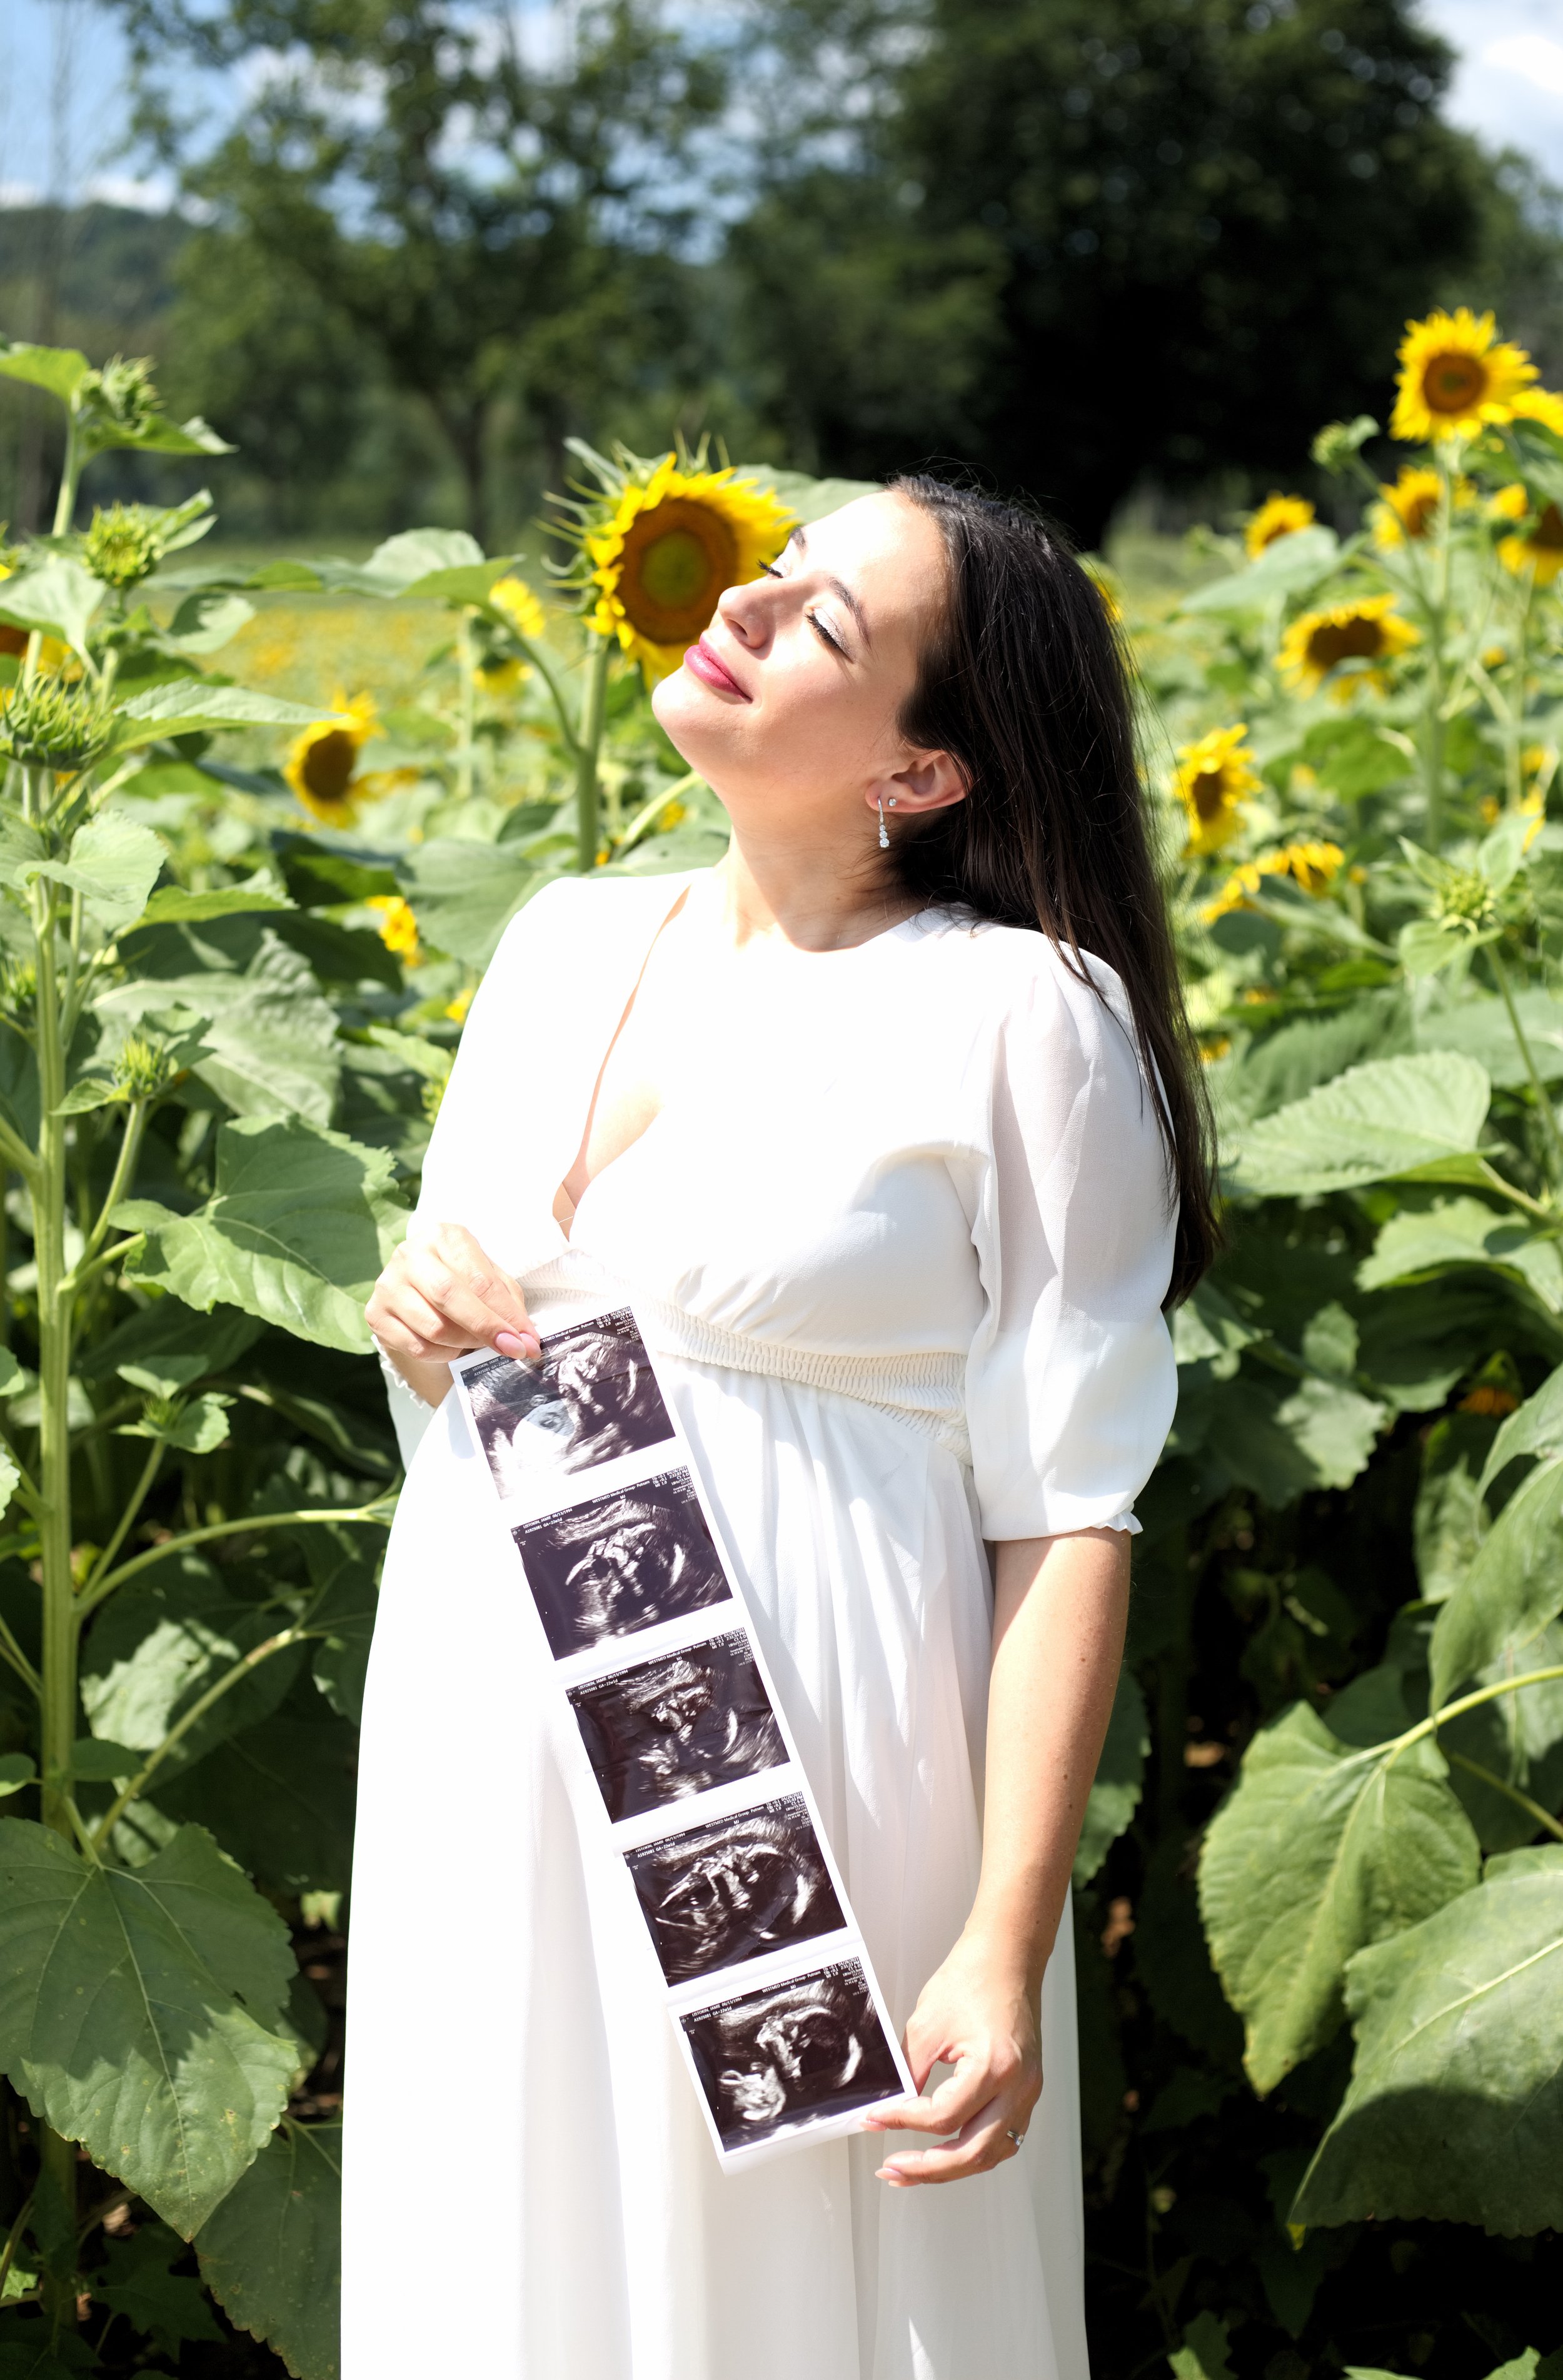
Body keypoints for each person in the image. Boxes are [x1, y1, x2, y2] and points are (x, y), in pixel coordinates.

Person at [346, 477, 1217, 2380]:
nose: (740, 601)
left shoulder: (1021, 1012)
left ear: (922, 772)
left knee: (793, 2299)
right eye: (776, 567)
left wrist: (1001, 1939)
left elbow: (1068, 1508)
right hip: (494, 1745)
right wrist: (420, 1316)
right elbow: (480, 1349)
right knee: (516, 2266)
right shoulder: (560, 943)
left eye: (822, 618)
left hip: (811, 1786)